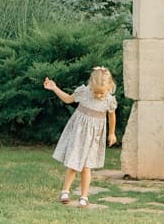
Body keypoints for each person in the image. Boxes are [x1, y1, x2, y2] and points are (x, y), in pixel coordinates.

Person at [44, 66, 118, 207]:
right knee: (73, 163)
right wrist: (54, 88)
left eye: (101, 93)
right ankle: (65, 191)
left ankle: (84, 196)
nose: (98, 96)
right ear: (90, 85)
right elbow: (68, 99)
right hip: (78, 134)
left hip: (94, 138)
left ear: (109, 87)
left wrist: (112, 133)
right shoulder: (83, 92)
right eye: (96, 93)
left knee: (86, 166)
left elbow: (112, 117)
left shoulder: (109, 100)